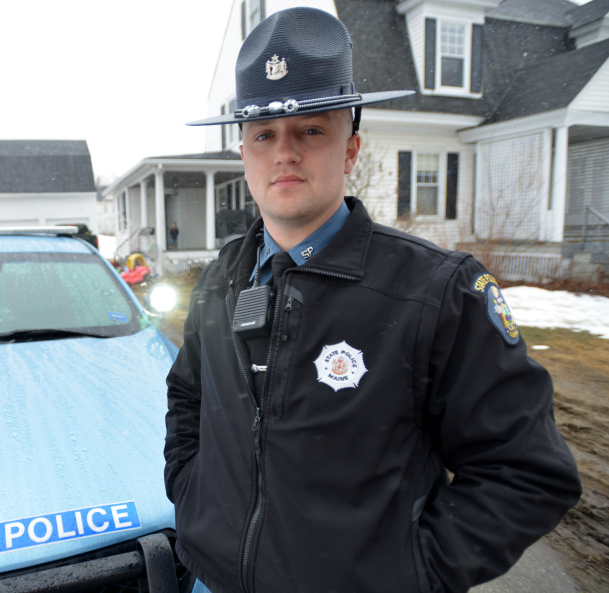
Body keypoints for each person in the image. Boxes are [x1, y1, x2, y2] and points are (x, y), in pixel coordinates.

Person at [163, 8, 581, 593]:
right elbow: (189, 398)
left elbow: (527, 473)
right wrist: (192, 495)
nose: (284, 153)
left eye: (311, 130)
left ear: (351, 148)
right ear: (243, 154)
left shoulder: (436, 292)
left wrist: (409, 574)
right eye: (264, 135)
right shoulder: (221, 277)